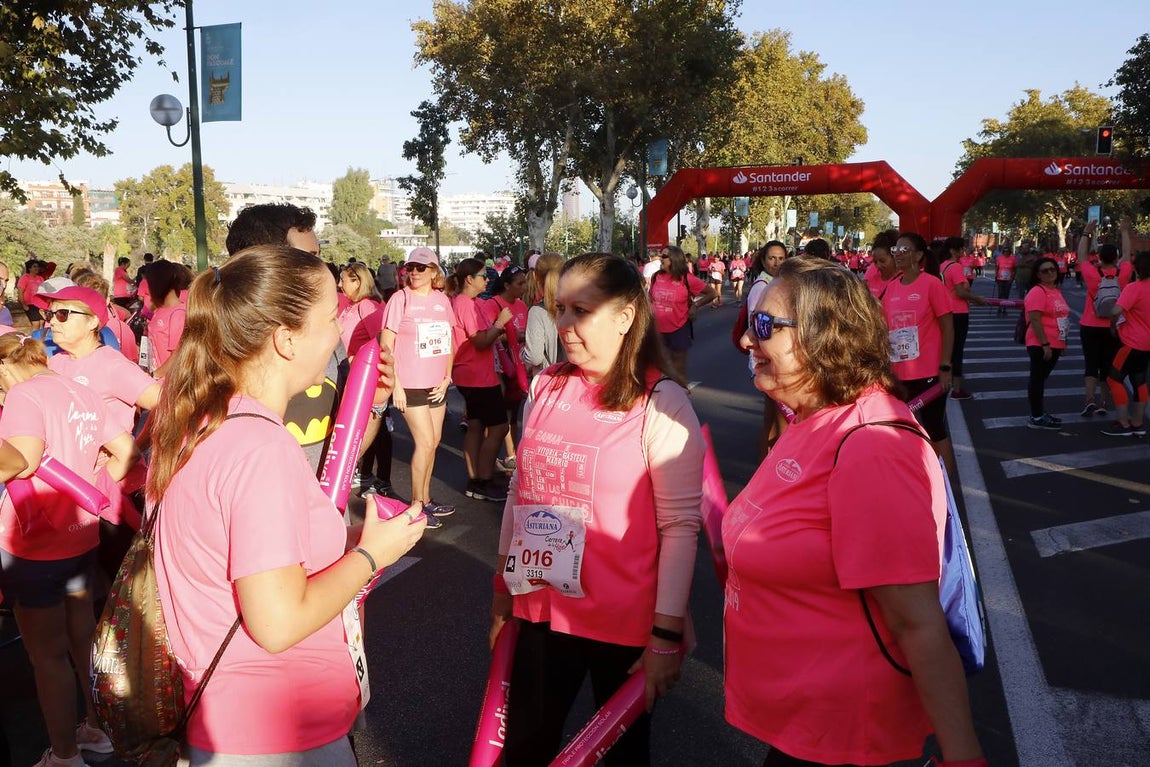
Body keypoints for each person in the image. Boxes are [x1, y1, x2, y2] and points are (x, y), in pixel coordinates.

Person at [147, 245, 424, 767]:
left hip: (231, 719)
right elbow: (277, 622)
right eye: (331, 318)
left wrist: (372, 403)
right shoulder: (260, 449)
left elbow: (271, 533)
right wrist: (372, 556)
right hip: (275, 733)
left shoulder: (207, 422)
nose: (339, 333)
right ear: (286, 338)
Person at [724, 257, 984, 767]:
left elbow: (917, 625)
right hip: (805, 719)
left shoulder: (871, 447)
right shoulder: (814, 416)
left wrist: (963, 757)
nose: (746, 340)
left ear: (826, 335)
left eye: (764, 326)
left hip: (843, 735)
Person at [490, 252, 703, 766]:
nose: (564, 324)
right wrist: (500, 600)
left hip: (623, 625)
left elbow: (680, 528)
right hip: (541, 610)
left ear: (625, 317)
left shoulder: (662, 402)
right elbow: (520, 493)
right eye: (559, 308)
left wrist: (665, 636)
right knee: (525, 751)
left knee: (624, 758)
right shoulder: (546, 386)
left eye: (580, 311)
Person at [0, 333, 138, 767]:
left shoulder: (22, 395)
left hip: (33, 545)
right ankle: (97, 730)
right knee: (82, 639)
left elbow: (21, 460)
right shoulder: (81, 391)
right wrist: (94, 485)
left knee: (48, 657)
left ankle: (64, 755)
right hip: (81, 536)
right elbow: (126, 450)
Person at [225, 203, 353, 476]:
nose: (322, 269)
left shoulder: (327, 338)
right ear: (267, 267)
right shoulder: (214, 361)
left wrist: (373, 403)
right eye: (309, 259)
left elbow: (342, 454)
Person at [381, 246, 456, 526]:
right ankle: (416, 507)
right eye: (410, 267)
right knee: (424, 443)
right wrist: (396, 386)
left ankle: (426, 499)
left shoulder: (442, 301)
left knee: (433, 443)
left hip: (436, 383)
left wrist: (447, 377)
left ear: (434, 271)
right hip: (409, 384)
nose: (414, 272)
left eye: (420, 267)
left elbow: (448, 342)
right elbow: (386, 346)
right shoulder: (400, 299)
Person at [882, 232, 956, 477]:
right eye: (896, 250)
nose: (898, 254)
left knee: (935, 429)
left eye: (904, 250)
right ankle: (916, 477)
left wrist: (945, 366)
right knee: (903, 430)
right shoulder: (892, 287)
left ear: (918, 255)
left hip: (929, 373)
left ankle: (946, 484)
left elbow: (948, 327)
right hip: (899, 374)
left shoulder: (932, 284)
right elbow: (886, 328)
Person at [446, 257, 510, 502]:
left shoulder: (471, 303)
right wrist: (500, 324)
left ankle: (476, 480)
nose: (487, 280)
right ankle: (483, 479)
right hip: (477, 376)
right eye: (483, 276)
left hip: (474, 374)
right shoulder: (465, 304)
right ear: (469, 279)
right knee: (499, 427)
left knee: (476, 426)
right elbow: (481, 341)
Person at [482, 265, 530, 474]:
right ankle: (490, 460)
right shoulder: (493, 304)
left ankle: (512, 455)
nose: (524, 287)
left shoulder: (522, 305)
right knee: (497, 415)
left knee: (513, 412)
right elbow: (486, 334)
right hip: (499, 365)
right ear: (507, 285)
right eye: (520, 283)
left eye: (525, 282)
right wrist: (511, 336)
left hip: (518, 363)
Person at [1101, 250, 1150, 437]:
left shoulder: (1134, 288)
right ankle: (1138, 422)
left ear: (1138, 268)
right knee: (1140, 380)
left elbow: (1115, 310)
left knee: (1114, 379)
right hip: (1147, 344)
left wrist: (1113, 325)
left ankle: (1123, 423)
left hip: (1131, 342)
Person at [649, 246, 714, 382]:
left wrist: (695, 305)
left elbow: (712, 293)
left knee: (677, 368)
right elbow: (650, 299)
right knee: (659, 366)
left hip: (679, 328)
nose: (660, 258)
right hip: (657, 329)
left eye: (664, 256)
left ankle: (680, 391)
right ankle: (664, 392)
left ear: (674, 259)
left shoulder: (687, 279)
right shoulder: (656, 277)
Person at [1023, 256, 1070, 430]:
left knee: (1041, 379)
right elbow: (1035, 319)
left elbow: (1062, 318)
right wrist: (1045, 344)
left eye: (1052, 269)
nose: (1050, 273)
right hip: (1041, 344)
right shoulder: (1037, 292)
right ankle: (1036, 416)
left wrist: (1063, 343)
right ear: (1038, 274)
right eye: (1045, 271)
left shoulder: (1055, 291)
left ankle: (1040, 413)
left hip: (1056, 342)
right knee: (1037, 379)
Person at [940, 236, 989, 400]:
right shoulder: (955, 267)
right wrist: (977, 299)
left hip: (946, 311)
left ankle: (945, 383)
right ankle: (957, 388)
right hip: (958, 312)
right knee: (957, 350)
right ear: (953, 250)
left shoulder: (942, 266)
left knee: (947, 349)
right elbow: (960, 292)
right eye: (961, 248)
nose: (963, 251)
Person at [141, 260, 193, 377]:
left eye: (149, 285)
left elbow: (178, 356)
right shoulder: (159, 310)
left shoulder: (178, 314)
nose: (148, 290)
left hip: (169, 382)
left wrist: (153, 376)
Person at [521, 253, 564, 379]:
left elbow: (534, 357)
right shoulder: (576, 306)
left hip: (549, 379)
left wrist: (522, 353)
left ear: (535, 276)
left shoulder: (537, 312)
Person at [337, 263, 382, 353]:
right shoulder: (351, 306)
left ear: (357, 283)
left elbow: (381, 343)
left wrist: (356, 358)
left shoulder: (367, 306)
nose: (339, 285)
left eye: (342, 280)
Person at [863, 230, 899, 299]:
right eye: (875, 262)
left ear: (895, 257)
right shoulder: (870, 282)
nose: (878, 266)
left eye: (882, 261)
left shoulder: (905, 281)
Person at [18, 260, 46, 331]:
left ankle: (41, 337)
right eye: (34, 266)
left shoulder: (40, 278)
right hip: (30, 304)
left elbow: (44, 291)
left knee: (42, 323)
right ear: (29, 268)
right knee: (36, 324)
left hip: (39, 304)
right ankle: (34, 338)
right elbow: (20, 292)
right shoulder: (25, 278)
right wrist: (24, 305)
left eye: (38, 266)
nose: (37, 268)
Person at [992, 246, 1016, 315]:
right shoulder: (999, 258)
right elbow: (997, 267)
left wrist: (1012, 278)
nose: (1006, 253)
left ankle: (1004, 308)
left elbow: (1014, 269)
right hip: (1000, 278)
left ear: (1010, 252)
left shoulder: (1013, 259)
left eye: (1007, 251)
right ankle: (999, 308)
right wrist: (996, 275)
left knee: (1006, 294)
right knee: (1000, 293)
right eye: (1005, 251)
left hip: (1008, 279)